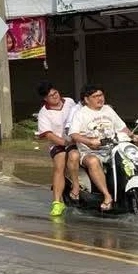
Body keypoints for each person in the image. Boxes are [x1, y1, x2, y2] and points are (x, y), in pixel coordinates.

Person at [67, 85, 138, 211]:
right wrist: (89, 140)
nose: (100, 98)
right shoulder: (80, 114)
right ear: (86, 99)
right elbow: (74, 134)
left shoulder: (108, 110)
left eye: (101, 95)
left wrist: (134, 136)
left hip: (113, 149)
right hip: (90, 151)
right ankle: (107, 195)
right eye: (95, 96)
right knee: (93, 161)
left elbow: (122, 128)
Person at [35, 81, 79, 217]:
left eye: (56, 93)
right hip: (59, 144)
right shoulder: (44, 113)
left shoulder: (70, 102)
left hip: (77, 140)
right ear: (45, 99)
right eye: (51, 96)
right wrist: (65, 143)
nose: (55, 97)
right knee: (60, 164)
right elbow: (48, 134)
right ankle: (57, 202)